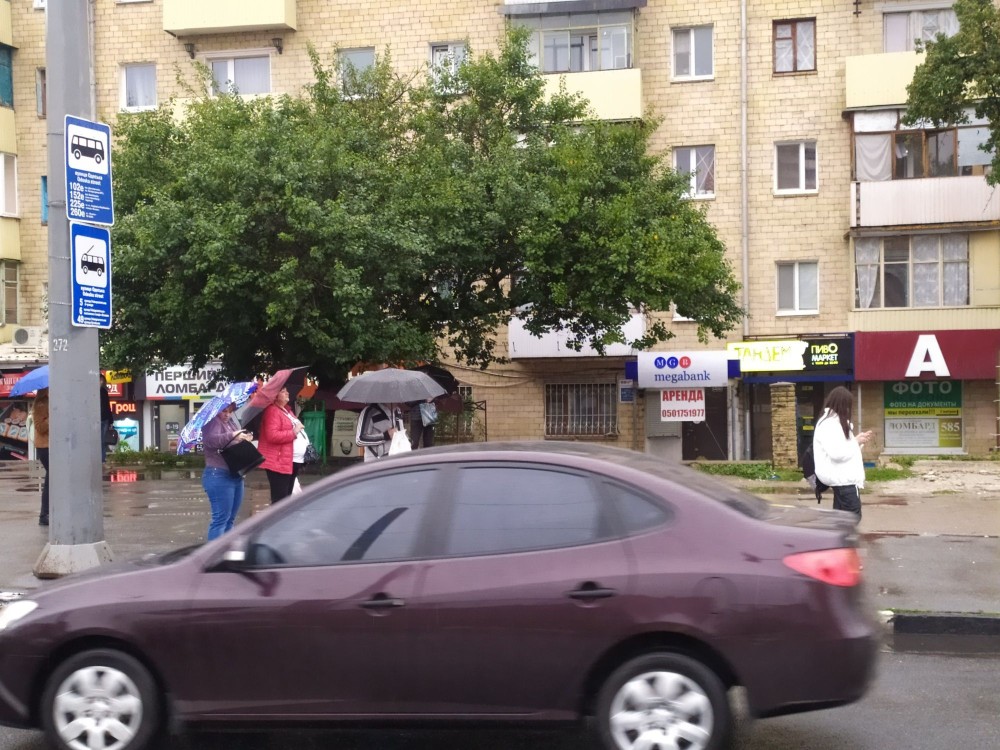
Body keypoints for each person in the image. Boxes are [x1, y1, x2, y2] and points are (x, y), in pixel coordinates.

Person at [812, 386, 873, 518]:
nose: (849, 410)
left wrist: (857, 441)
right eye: (848, 406)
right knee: (852, 519)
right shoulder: (830, 424)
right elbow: (837, 453)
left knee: (841, 521)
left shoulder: (833, 422)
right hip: (844, 481)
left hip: (842, 480)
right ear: (842, 405)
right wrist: (855, 442)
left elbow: (843, 448)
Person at [200, 402, 253, 540]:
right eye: (224, 411)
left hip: (235, 474)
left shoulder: (230, 423)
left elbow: (232, 443)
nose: (227, 414)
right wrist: (233, 435)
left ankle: (226, 550)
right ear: (217, 410)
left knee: (230, 519)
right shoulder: (212, 422)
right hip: (218, 474)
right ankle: (214, 553)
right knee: (220, 519)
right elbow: (210, 440)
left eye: (230, 411)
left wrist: (245, 438)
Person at [257, 387, 303, 503]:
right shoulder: (272, 411)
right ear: (275, 396)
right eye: (283, 391)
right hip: (278, 461)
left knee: (286, 499)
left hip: (290, 460)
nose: (287, 393)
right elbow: (272, 435)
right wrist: (293, 432)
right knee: (280, 500)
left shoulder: (287, 410)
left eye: (287, 390)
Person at [32, 389, 50, 526]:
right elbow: (40, 427)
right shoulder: (40, 404)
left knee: (54, 479)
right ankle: (44, 514)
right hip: (45, 447)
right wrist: (52, 417)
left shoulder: (52, 401)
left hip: (53, 446)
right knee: (52, 478)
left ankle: (47, 513)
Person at [100, 374, 113, 463]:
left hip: (104, 418)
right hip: (101, 418)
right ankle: (101, 459)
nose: (101, 382)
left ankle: (102, 459)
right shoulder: (100, 392)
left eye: (102, 380)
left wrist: (110, 420)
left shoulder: (104, 391)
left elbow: (107, 406)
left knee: (103, 440)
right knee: (101, 440)